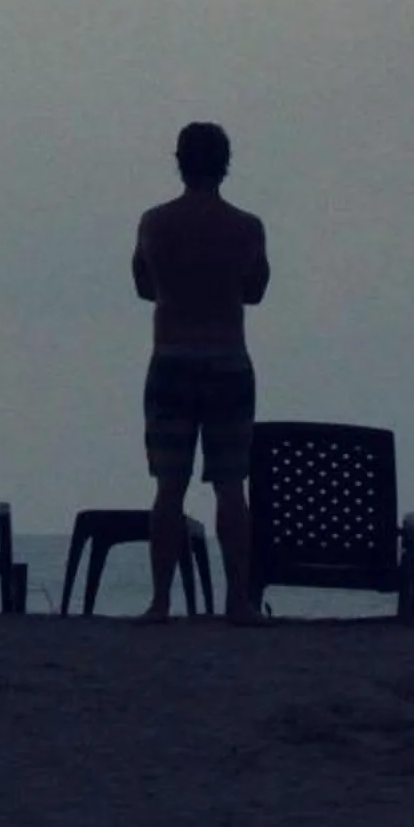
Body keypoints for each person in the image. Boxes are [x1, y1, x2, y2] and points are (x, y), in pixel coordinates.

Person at [133, 121, 269, 622]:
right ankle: (237, 600)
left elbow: (144, 286)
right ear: (225, 165)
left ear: (180, 162)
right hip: (227, 360)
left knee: (169, 486)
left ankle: (161, 600)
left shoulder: (154, 223)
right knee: (231, 485)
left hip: (171, 357)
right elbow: (255, 290)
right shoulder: (246, 227)